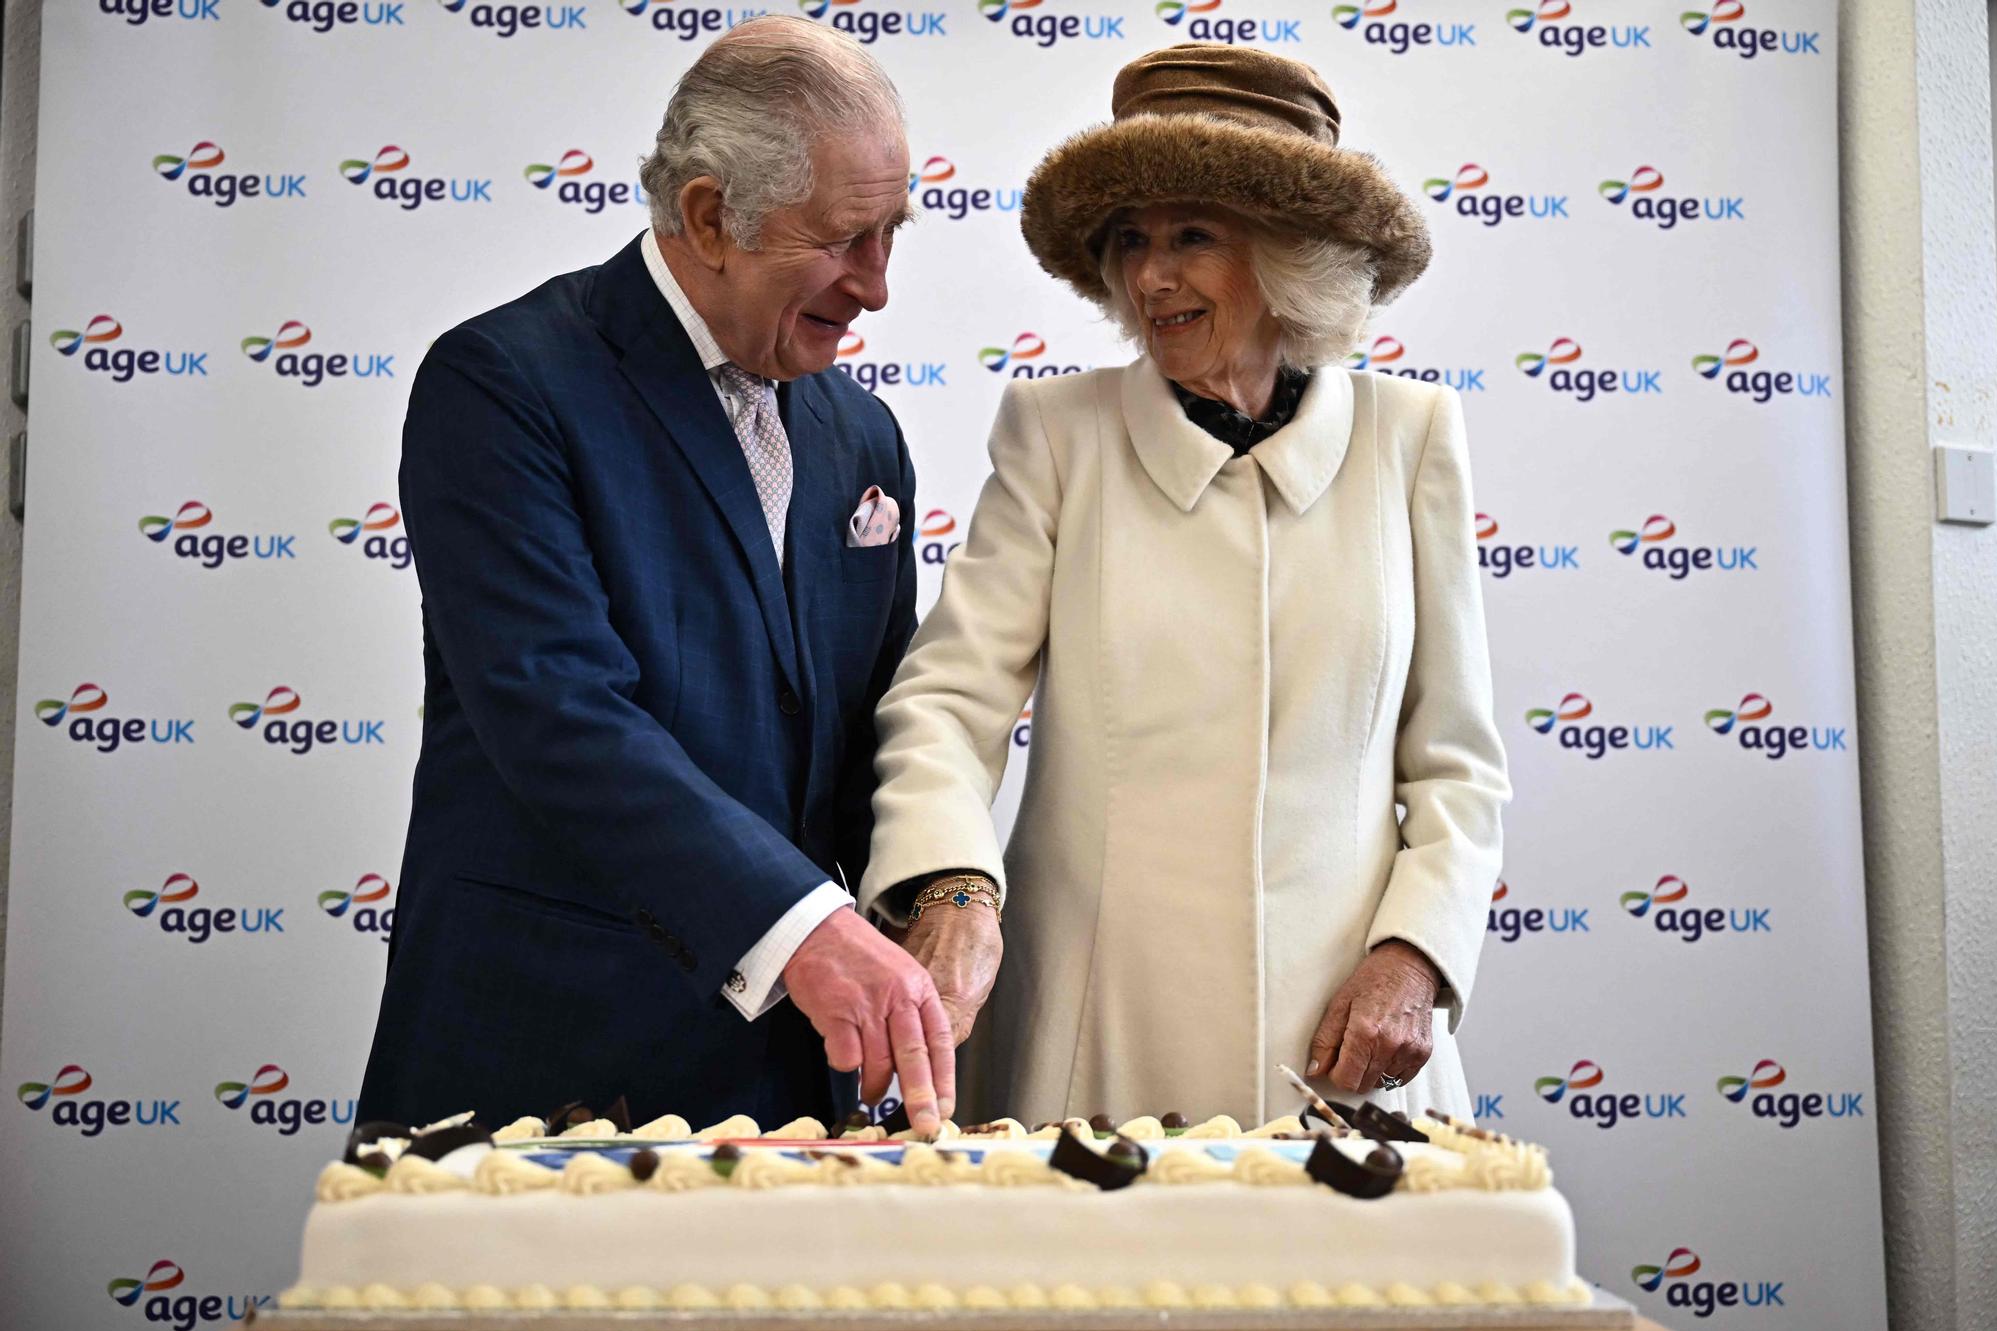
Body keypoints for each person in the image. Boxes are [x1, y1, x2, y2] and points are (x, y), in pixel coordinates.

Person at [858, 43, 1510, 1127]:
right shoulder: (1056, 435)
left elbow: (1456, 767)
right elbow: (946, 701)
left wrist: (1413, 957)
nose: (1151, 276)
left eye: (1192, 236)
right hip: (1095, 1031)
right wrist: (953, 887)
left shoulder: (1411, 438)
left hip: (1341, 1047)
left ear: (1289, 251)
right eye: (1131, 242)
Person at [358, 15, 957, 1138]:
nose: (876, 287)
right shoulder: (503, 384)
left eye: (892, 235)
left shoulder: (861, 436)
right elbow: (557, 710)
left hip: (795, 1081)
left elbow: (884, 727)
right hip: (553, 1062)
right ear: (707, 216)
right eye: (842, 239)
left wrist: (943, 894)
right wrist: (807, 930)